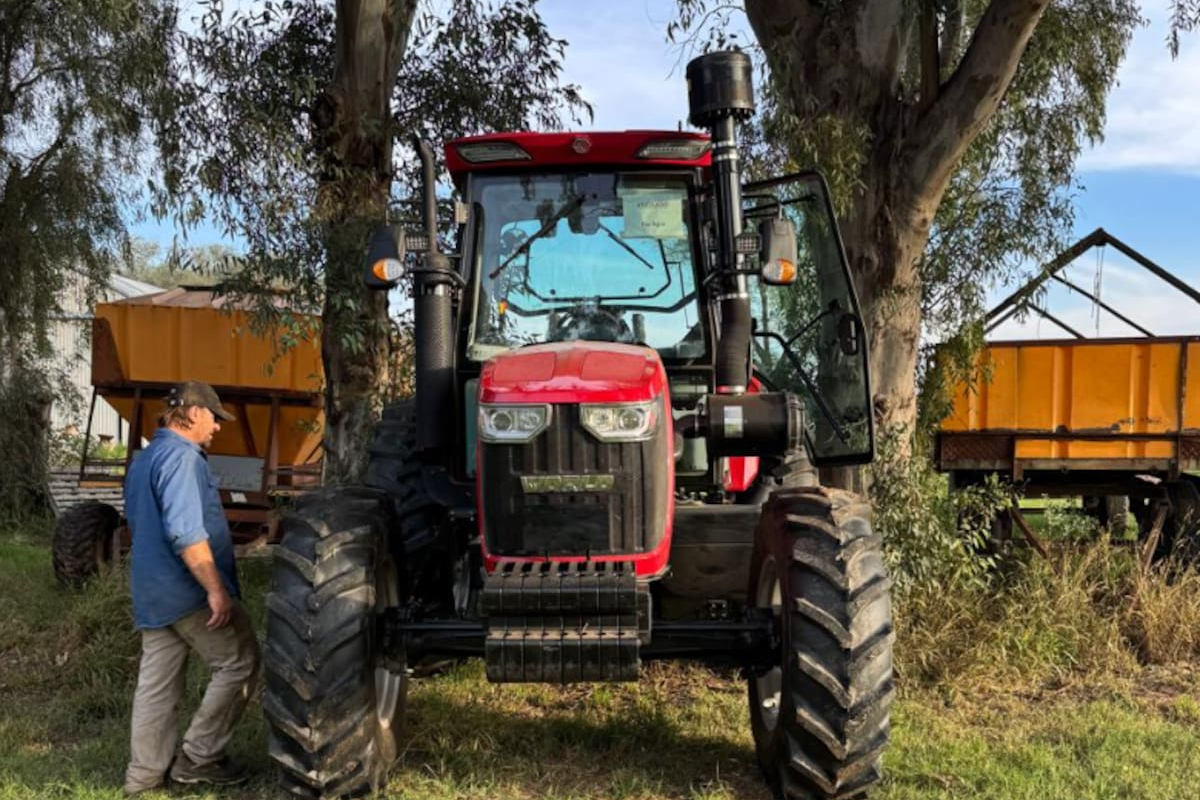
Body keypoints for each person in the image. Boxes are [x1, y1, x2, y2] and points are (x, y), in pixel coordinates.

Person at [122, 380, 261, 796]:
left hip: (150, 590)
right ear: (195, 413)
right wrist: (215, 590)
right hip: (187, 591)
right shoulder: (183, 459)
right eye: (215, 418)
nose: (217, 427)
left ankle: (144, 779)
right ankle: (200, 758)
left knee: (157, 685)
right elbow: (186, 532)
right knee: (241, 661)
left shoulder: (145, 459)